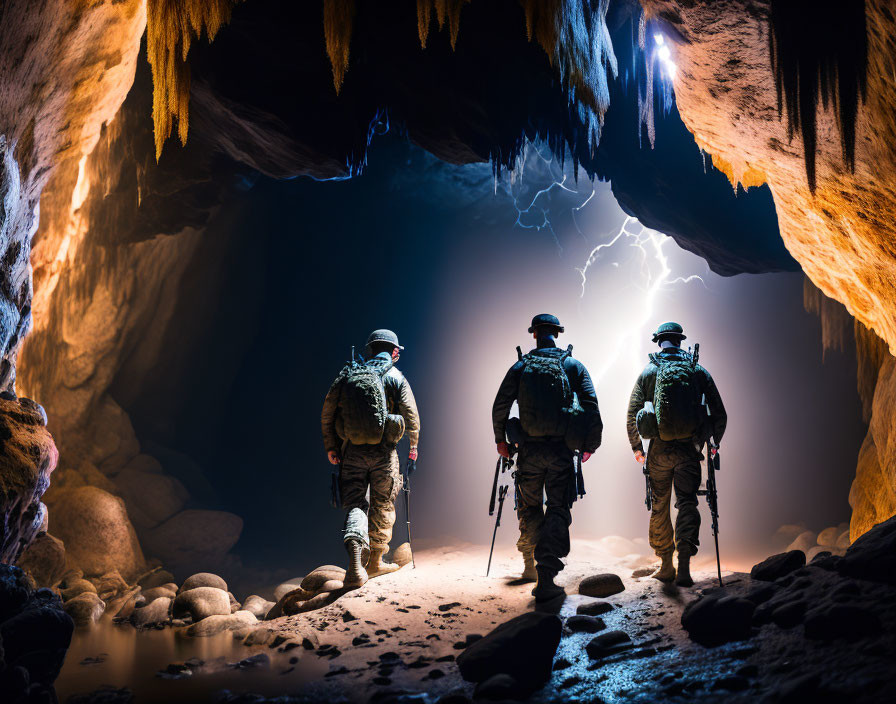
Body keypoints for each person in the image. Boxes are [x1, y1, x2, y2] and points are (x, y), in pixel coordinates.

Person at [492, 313, 602, 601]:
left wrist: (500, 440)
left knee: (529, 508)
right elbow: (591, 404)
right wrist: (591, 443)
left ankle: (531, 563)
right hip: (561, 452)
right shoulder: (572, 365)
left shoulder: (521, 366)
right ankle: (546, 575)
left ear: (534, 335)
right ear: (557, 333)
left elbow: (500, 405)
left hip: (528, 452)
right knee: (558, 509)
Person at [626, 322, 727, 587]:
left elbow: (632, 411)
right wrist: (713, 444)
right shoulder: (697, 370)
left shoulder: (650, 371)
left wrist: (637, 448)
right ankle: (684, 565)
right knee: (687, 502)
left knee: (659, 505)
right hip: (689, 450)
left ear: (659, 342)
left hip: (658, 450)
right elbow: (719, 413)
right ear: (680, 342)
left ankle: (666, 565)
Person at [321, 329, 420, 588]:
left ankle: (355, 563)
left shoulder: (349, 376)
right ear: (395, 352)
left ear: (369, 350)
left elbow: (327, 413)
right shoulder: (396, 376)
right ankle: (375, 563)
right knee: (383, 505)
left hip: (351, 452)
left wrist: (332, 446)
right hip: (385, 453)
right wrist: (413, 447)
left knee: (356, 504)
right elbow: (411, 415)